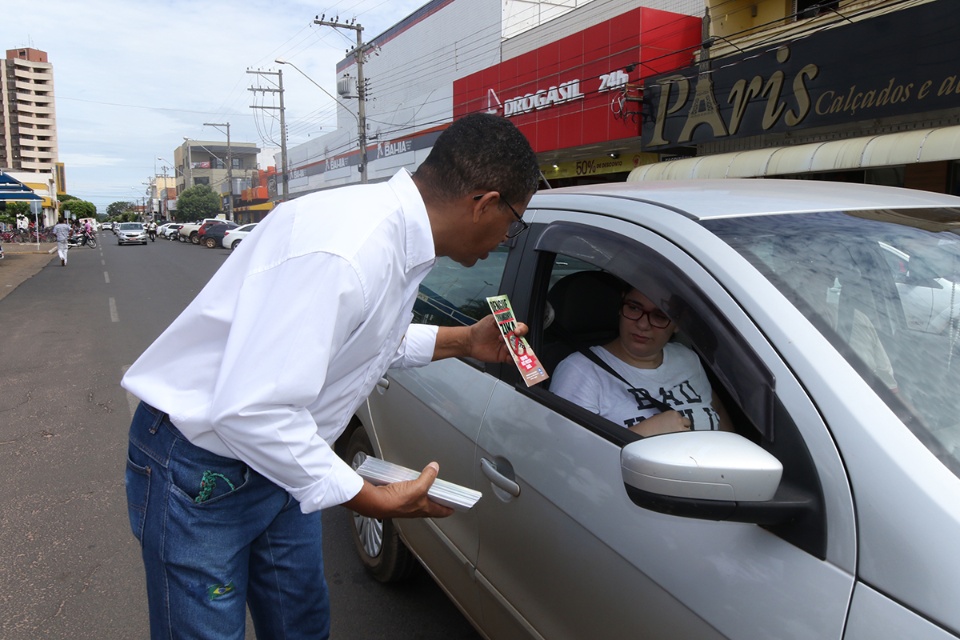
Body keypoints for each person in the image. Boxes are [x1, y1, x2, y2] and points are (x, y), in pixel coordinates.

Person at [121, 112, 540, 639]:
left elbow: (365, 342)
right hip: (201, 463)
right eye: (515, 221)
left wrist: (466, 341)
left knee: (301, 625)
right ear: (484, 203)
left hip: (281, 461)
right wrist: (369, 496)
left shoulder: (400, 243)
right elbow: (251, 409)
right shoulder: (350, 251)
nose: (507, 239)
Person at [551, 285, 732, 436]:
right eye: (634, 308)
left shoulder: (687, 358)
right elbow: (567, 457)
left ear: (678, 323)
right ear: (621, 307)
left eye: (659, 315)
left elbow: (717, 411)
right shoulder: (580, 370)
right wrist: (641, 434)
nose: (643, 325)